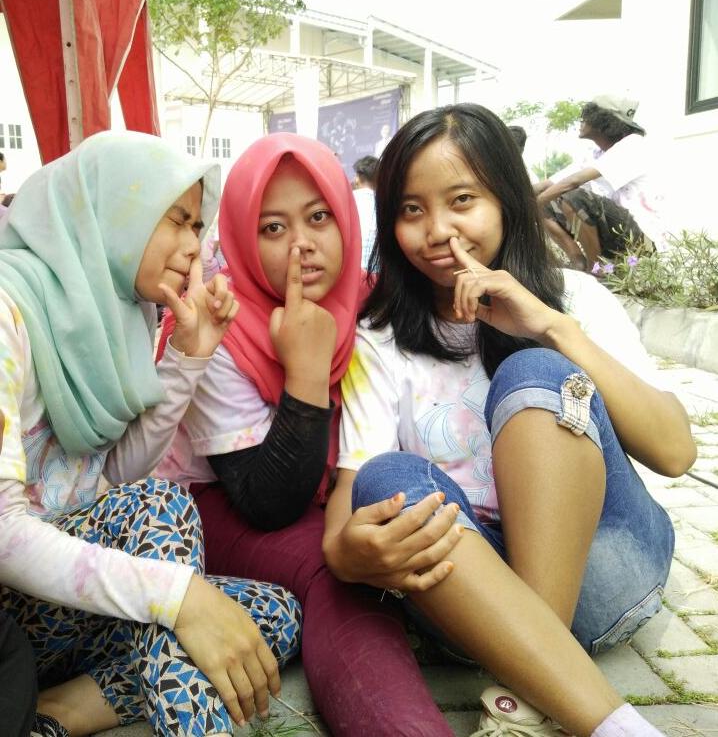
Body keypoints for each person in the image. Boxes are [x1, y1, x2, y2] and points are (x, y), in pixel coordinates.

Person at [323, 103, 696, 737]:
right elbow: (348, 507)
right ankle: (590, 710)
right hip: (475, 601)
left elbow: (676, 452)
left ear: (505, 200)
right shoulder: (379, 339)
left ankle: (541, 687)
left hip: (607, 569)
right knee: (388, 477)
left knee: (535, 374)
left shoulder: (576, 300)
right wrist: (348, 554)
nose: (438, 230)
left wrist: (550, 328)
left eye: (461, 200)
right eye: (411, 209)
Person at [0, 131, 301, 737]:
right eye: (177, 220)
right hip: (13, 608)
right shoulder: (10, 312)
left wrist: (189, 357)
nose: (194, 245)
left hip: (67, 604)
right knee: (164, 514)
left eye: (199, 225)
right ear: (114, 209)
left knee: (270, 615)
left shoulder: (120, 312)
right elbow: (4, 533)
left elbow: (106, 477)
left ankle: (54, 713)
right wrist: (176, 596)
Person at [157, 132, 457, 737]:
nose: (303, 245)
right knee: (336, 571)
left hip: (330, 491)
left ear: (347, 218)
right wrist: (306, 374)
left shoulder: (373, 303)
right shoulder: (220, 323)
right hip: (220, 502)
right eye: (272, 228)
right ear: (241, 237)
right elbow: (268, 504)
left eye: (319, 217)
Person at [536, 95, 668, 255]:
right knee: (546, 205)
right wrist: (515, 195)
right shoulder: (595, 154)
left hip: (643, 240)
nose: (582, 120)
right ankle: (578, 260)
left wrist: (531, 206)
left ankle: (595, 266)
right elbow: (549, 184)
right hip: (616, 232)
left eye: (587, 116)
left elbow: (573, 182)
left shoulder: (633, 145)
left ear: (604, 121)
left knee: (574, 196)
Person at [352, 154, 379, 270]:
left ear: (357, 178)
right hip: (377, 273)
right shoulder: (384, 204)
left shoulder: (348, 200)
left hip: (352, 271)